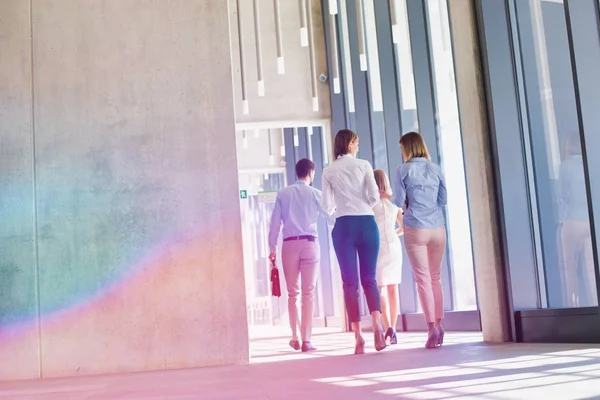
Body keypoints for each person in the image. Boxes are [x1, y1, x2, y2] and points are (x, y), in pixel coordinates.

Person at [322, 129, 386, 355]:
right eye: (356, 142)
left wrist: (340, 207)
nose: (358, 146)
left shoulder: (328, 171)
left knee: (349, 282)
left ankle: (358, 336)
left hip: (344, 226)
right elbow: (373, 198)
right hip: (367, 224)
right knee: (369, 279)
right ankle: (377, 324)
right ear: (349, 144)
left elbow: (327, 205)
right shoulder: (364, 165)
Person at [381, 131, 447, 349]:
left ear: (407, 148)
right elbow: (443, 199)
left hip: (415, 227)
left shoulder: (403, 170)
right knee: (435, 278)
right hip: (437, 228)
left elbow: (399, 201)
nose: (401, 152)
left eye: (402, 148)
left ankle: (431, 328)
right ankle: (440, 324)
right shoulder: (435, 168)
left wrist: (385, 196)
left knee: (422, 279)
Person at [268, 158, 330, 352]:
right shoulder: (315, 194)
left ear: (297, 173)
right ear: (311, 173)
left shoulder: (283, 194)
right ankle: (306, 340)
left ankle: (294, 337)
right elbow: (330, 215)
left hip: (289, 246)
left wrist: (271, 249)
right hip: (310, 243)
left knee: (292, 294)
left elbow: (275, 224)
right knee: (308, 294)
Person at [558, 132, 594, 307]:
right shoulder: (591, 164)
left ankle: (572, 306)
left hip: (572, 221)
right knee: (592, 271)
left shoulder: (565, 166)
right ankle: (595, 305)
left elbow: (562, 195)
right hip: (589, 222)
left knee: (569, 269)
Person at [373, 169, 404, 345]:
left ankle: (387, 328)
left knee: (381, 289)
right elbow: (404, 226)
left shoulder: (371, 204)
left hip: (378, 247)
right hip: (393, 246)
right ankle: (393, 327)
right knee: (394, 289)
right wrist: (394, 233)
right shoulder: (394, 203)